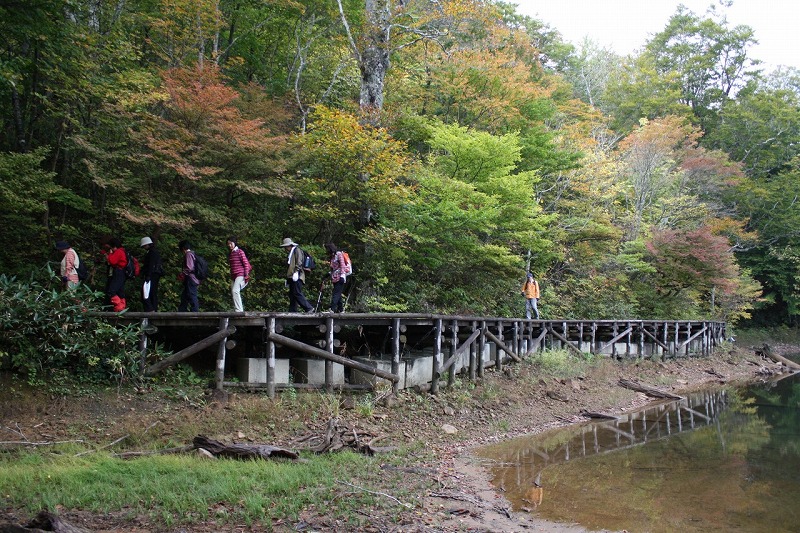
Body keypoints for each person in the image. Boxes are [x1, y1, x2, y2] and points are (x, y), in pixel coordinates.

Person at [281, 237, 313, 313]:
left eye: (286, 247)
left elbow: (299, 262)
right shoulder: (291, 253)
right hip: (292, 276)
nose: (285, 248)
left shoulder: (297, 250)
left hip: (297, 275)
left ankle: (308, 308)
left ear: (289, 245)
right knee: (292, 294)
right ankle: (292, 310)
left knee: (297, 292)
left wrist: (296, 271)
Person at [102, 238, 128, 312]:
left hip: (119, 272)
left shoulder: (119, 251)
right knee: (120, 291)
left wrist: (109, 254)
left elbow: (112, 261)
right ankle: (122, 307)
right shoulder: (122, 251)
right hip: (121, 272)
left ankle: (119, 306)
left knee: (111, 291)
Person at [227, 237, 252, 312]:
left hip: (240, 274)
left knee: (235, 290)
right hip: (234, 276)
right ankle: (237, 308)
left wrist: (246, 274)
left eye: (231, 243)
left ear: (234, 243)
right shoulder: (231, 253)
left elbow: (245, 263)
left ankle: (239, 310)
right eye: (228, 244)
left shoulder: (240, 251)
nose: (230, 245)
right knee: (233, 291)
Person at [140, 236, 162, 312]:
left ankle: (150, 308)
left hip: (152, 275)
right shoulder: (154, 252)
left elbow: (150, 265)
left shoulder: (152, 253)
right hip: (154, 274)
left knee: (147, 292)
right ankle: (153, 308)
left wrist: (148, 275)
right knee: (152, 292)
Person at [177, 240, 200, 312]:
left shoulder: (188, 254)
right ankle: (182, 311)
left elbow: (189, 268)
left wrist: (182, 273)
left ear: (183, 248)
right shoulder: (193, 253)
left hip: (191, 278)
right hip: (194, 278)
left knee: (192, 295)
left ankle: (195, 313)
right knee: (185, 296)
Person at [325, 242, 347, 313]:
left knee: (336, 293)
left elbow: (342, 265)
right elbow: (333, 268)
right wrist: (328, 274)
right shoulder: (332, 257)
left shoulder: (339, 254)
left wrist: (342, 276)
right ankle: (341, 309)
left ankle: (332, 309)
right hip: (334, 278)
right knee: (338, 293)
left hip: (340, 277)